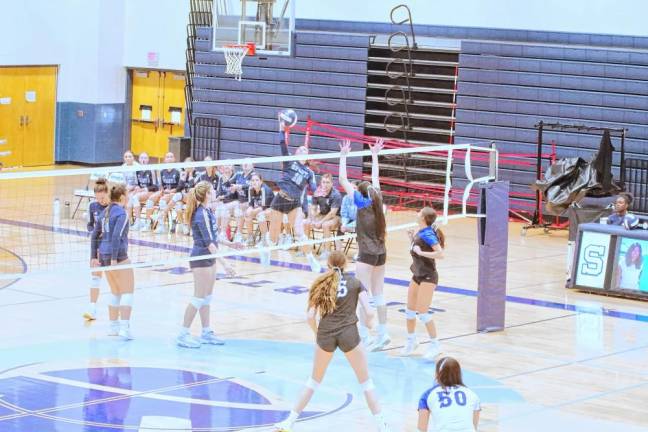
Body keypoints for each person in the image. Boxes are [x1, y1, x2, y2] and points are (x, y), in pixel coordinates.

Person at [273, 251, 390, 432]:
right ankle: (383, 427)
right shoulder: (355, 283)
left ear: (328, 264)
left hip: (326, 334)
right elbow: (370, 311)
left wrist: (317, 333)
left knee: (313, 381)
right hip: (349, 333)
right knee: (366, 383)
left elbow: (310, 316)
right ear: (346, 265)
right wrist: (371, 325)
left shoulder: (321, 283)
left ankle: (289, 422)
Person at [339, 138, 389, 351]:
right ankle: (383, 334)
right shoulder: (377, 199)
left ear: (359, 194)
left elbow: (342, 179)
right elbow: (376, 179)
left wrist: (343, 156)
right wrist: (375, 155)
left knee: (363, 295)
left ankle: (366, 335)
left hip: (366, 255)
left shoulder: (360, 204)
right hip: (381, 253)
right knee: (378, 295)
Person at [176, 181, 241, 348]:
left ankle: (206, 332)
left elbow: (214, 236)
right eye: (212, 190)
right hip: (201, 258)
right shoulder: (201, 214)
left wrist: (230, 244)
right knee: (198, 297)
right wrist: (226, 264)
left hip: (209, 259)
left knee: (206, 298)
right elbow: (209, 244)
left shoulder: (208, 211)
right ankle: (182, 334)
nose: (214, 192)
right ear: (206, 194)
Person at [269, 115, 318, 271]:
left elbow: (314, 189)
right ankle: (266, 250)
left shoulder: (309, 172)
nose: (304, 150)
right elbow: (282, 143)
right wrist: (281, 128)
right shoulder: (289, 161)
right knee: (274, 236)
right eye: (301, 149)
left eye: (306, 149)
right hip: (280, 199)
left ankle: (311, 259)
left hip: (294, 203)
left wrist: (319, 193)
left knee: (299, 232)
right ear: (297, 153)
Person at [90, 184, 135, 340]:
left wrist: (93, 257)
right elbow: (116, 237)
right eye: (127, 196)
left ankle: (113, 328)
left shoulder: (104, 212)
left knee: (116, 291)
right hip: (117, 255)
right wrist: (115, 259)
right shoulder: (122, 213)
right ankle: (125, 329)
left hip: (103, 254)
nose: (128, 199)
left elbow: (94, 235)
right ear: (122, 197)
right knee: (128, 292)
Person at [402, 207, 445, 360]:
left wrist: (421, 253)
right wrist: (411, 238)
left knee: (423, 311)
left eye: (419, 213)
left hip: (428, 276)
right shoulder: (420, 231)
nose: (417, 213)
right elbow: (417, 248)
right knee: (409, 310)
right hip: (417, 274)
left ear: (424, 218)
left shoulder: (428, 233)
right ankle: (411, 341)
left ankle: (435, 345)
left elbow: (440, 254)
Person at [417, 357, 481, 432]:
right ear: (459, 373)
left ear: (438, 373)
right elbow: (474, 427)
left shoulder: (427, 395)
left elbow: (421, 429)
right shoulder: (472, 394)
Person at [83, 179, 110, 321]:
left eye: (103, 197)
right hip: (96, 246)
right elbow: (89, 225)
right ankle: (92, 309)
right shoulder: (92, 206)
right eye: (98, 198)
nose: (100, 200)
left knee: (114, 281)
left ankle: (117, 313)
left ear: (108, 194)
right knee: (95, 278)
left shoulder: (113, 207)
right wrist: (93, 232)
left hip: (111, 248)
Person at [302, 173, 343, 262]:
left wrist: (320, 222)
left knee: (325, 225)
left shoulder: (336, 194)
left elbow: (332, 213)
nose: (325, 184)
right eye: (323, 182)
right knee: (306, 222)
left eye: (328, 182)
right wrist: (312, 218)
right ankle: (305, 250)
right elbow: (313, 208)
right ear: (321, 183)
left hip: (337, 217)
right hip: (323, 214)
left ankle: (327, 252)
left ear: (332, 184)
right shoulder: (317, 192)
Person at [151, 152, 182, 234]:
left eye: (171, 157)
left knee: (165, 200)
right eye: (167, 157)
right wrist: (163, 191)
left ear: (174, 159)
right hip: (166, 194)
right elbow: (160, 185)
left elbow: (180, 186)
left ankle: (163, 223)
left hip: (176, 194)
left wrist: (173, 191)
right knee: (162, 201)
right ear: (165, 159)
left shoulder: (178, 170)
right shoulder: (162, 171)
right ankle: (162, 226)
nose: (169, 158)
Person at [130, 152, 159, 231]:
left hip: (151, 192)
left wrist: (143, 189)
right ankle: (131, 221)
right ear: (139, 160)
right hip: (142, 192)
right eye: (142, 158)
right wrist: (137, 187)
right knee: (130, 196)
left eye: (145, 158)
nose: (143, 160)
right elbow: (137, 184)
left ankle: (138, 221)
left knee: (135, 197)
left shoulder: (151, 170)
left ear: (148, 160)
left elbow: (155, 186)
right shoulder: (137, 170)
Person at [244, 173, 274, 246]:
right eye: (253, 180)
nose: (254, 182)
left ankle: (265, 240)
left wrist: (252, 212)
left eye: (257, 180)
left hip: (272, 210)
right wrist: (249, 212)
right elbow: (251, 205)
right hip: (260, 210)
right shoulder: (251, 189)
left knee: (260, 215)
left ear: (261, 181)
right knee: (247, 214)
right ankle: (250, 238)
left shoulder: (264, 189)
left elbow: (263, 207)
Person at [178, 156, 201, 235]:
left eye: (190, 165)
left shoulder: (197, 174)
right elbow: (178, 189)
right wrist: (182, 179)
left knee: (189, 204)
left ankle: (190, 225)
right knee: (178, 206)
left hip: (194, 199)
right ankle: (183, 225)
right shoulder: (183, 174)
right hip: (184, 198)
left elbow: (193, 188)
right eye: (186, 165)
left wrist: (191, 176)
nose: (188, 167)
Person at [234, 161, 256, 242]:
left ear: (253, 165)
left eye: (248, 163)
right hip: (241, 202)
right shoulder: (239, 175)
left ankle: (250, 236)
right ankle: (239, 234)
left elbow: (251, 186)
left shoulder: (254, 175)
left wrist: (239, 186)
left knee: (245, 212)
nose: (245, 164)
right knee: (238, 211)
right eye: (244, 162)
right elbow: (230, 183)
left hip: (252, 203)